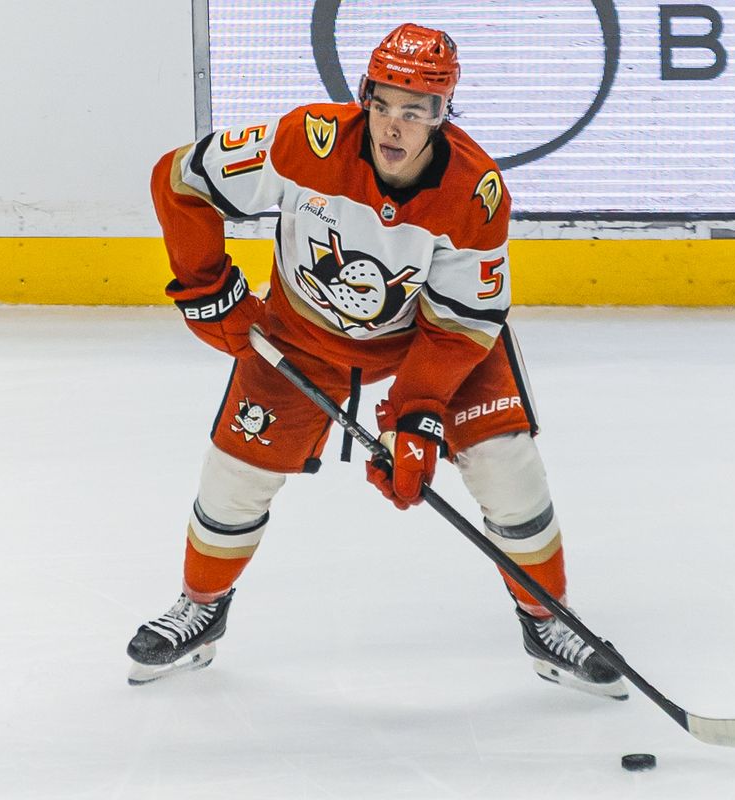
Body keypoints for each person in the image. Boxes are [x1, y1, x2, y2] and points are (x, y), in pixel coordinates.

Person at [126, 22, 627, 700]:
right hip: (301, 333)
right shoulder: (306, 141)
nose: (394, 127)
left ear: (442, 116)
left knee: (507, 463)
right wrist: (206, 288)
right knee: (236, 475)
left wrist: (416, 416)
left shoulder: (474, 195)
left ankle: (548, 620)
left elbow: (461, 324)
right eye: (383, 104)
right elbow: (180, 179)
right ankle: (201, 609)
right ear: (364, 97)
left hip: (436, 338)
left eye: (414, 112)